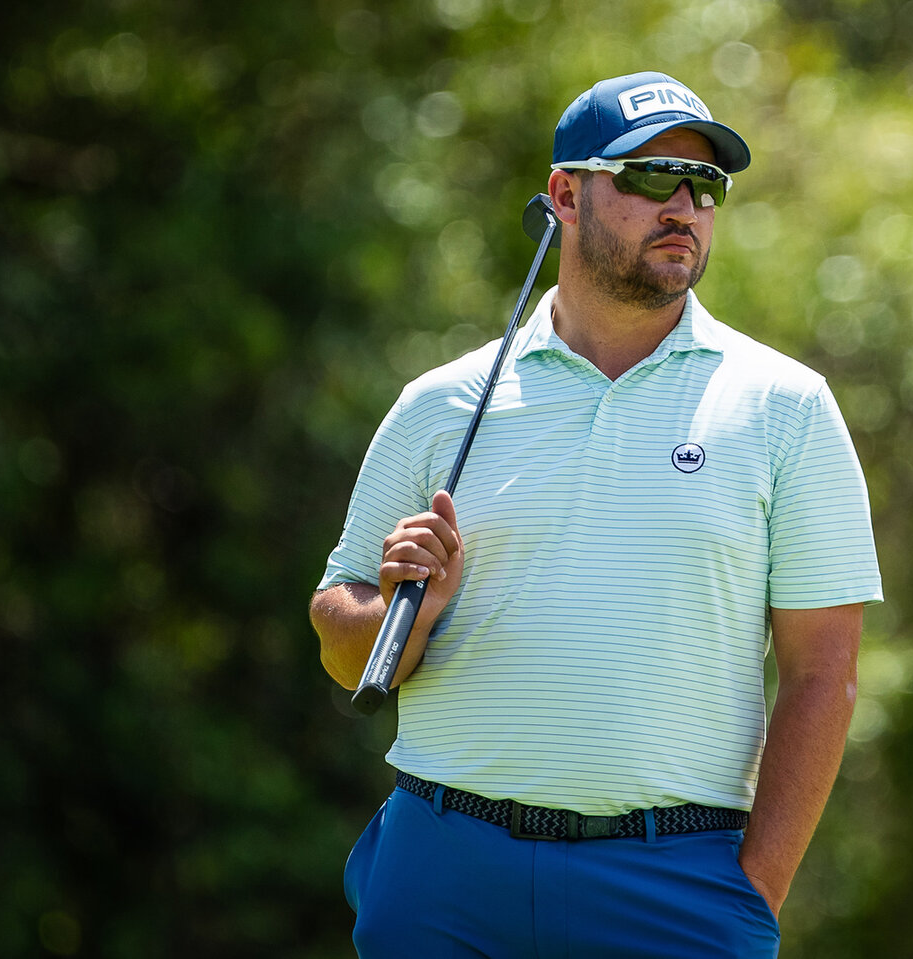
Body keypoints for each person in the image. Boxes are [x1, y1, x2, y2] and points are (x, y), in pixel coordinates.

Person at [310, 71, 883, 959]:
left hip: (674, 884)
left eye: (705, 185)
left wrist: (754, 892)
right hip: (444, 872)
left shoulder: (786, 405)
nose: (684, 205)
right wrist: (402, 610)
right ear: (566, 196)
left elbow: (824, 672)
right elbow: (339, 636)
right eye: (652, 176)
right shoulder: (441, 402)